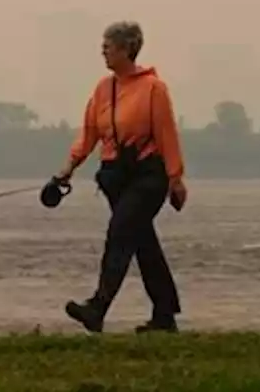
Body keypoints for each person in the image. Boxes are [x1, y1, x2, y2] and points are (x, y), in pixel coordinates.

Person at [54, 20, 187, 334]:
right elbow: (89, 133)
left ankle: (98, 307)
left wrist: (175, 178)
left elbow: (167, 134)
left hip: (148, 176)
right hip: (116, 177)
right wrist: (68, 168)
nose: (103, 51)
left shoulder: (154, 88)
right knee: (142, 243)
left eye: (108, 46)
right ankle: (165, 315)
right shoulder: (103, 89)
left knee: (120, 233)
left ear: (127, 49)